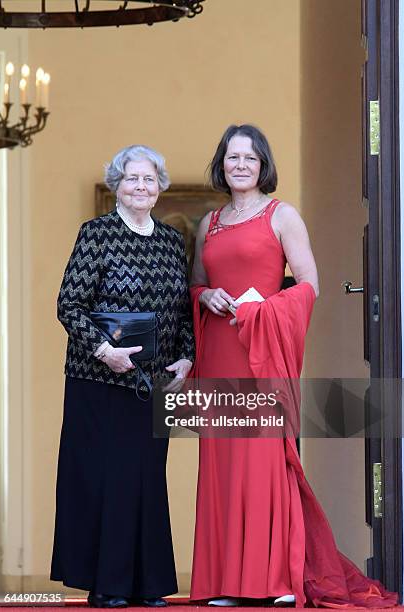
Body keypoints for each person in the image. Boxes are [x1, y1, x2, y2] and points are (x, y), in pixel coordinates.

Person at [189, 125, 398, 608]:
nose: (240, 165)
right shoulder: (210, 223)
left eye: (250, 158)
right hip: (221, 349)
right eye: (232, 157)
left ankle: (279, 579)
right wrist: (208, 295)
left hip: (262, 349)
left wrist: (259, 309)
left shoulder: (282, 216)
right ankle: (230, 584)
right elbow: (197, 285)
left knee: (264, 462)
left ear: (264, 165)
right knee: (223, 466)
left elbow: (309, 285)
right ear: (221, 164)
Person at [51, 144, 194, 608]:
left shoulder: (173, 241)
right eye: (131, 178)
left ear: (159, 187)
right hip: (100, 379)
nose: (140, 186)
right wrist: (104, 350)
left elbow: (185, 311)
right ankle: (107, 585)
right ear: (117, 184)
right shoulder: (96, 235)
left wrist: (186, 358)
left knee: (148, 480)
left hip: (153, 382)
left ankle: (148, 584)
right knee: (106, 478)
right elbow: (68, 305)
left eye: (149, 179)